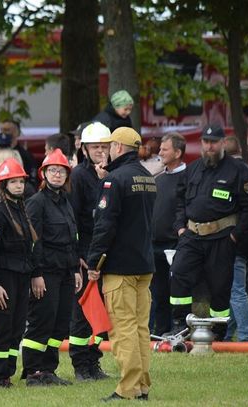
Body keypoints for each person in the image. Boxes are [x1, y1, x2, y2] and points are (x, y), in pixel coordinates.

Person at [169, 125, 248, 341]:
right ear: (201, 143)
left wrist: (235, 236)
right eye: (206, 141)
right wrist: (180, 227)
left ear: (222, 143)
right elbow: (180, 200)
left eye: (214, 142)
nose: (209, 146)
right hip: (192, 236)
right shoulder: (193, 169)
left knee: (220, 287)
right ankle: (180, 326)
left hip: (221, 238)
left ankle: (218, 332)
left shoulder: (238, 171)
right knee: (178, 273)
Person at [86, 127, 155, 401]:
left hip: (119, 267)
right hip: (144, 264)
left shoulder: (115, 180)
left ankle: (127, 389)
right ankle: (142, 386)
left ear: (118, 147)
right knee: (140, 328)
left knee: (123, 328)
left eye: (109, 146)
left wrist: (94, 262)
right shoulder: (147, 177)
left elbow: (105, 225)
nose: (106, 151)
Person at [22, 148, 82, 386]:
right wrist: (35, 274)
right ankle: (33, 371)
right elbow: (33, 242)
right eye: (53, 170)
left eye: (61, 171)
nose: (57, 174)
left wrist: (75, 269)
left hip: (65, 271)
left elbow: (73, 238)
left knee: (60, 322)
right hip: (46, 272)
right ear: (44, 173)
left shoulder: (66, 202)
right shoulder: (37, 203)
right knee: (41, 321)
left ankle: (48, 369)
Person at [0, 158, 36, 387]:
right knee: (2, 326)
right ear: (3, 185)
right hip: (4, 276)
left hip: (22, 275)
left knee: (17, 327)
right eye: (13, 182)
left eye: (21, 182)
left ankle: (7, 372)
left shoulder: (21, 209)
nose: (18, 186)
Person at [67, 122, 111, 381]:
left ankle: (94, 361)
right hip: (85, 254)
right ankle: (81, 365)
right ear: (84, 149)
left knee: (100, 312)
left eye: (105, 147)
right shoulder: (78, 177)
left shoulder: (112, 174)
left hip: (106, 253)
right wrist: (77, 256)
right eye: (95, 147)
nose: (101, 152)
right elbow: (72, 219)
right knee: (83, 313)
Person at [223, 136, 248, 342]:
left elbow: (246, 211)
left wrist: (233, 234)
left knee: (236, 290)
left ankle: (246, 336)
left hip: (235, 241)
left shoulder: (233, 173)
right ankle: (227, 334)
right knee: (234, 289)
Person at [149, 133, 186, 336]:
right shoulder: (158, 179)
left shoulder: (188, 178)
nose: (160, 153)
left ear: (178, 153)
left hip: (176, 245)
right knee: (158, 292)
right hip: (155, 245)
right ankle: (161, 331)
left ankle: (179, 329)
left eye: (165, 149)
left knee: (177, 291)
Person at [0, 119, 37, 184]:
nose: (3, 133)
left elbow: (32, 178)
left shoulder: (25, 155)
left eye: (7, 130)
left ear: (17, 133)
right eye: (1, 130)